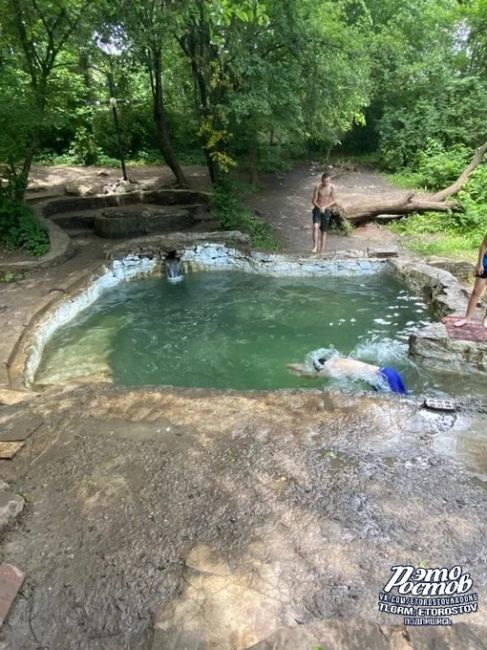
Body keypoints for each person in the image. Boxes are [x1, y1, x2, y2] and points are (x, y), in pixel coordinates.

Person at [287, 351, 408, 395]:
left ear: (320, 367)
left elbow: (312, 377)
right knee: (406, 400)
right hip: (388, 372)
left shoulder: (329, 369)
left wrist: (295, 371)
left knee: (399, 407)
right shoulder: (338, 359)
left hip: (382, 379)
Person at [454, 232, 487, 328]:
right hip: (485, 262)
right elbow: (484, 246)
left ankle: (486, 319)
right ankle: (467, 318)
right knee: (476, 291)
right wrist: (479, 263)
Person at [311, 172, 336, 253]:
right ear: (322, 180)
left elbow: (334, 201)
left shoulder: (332, 188)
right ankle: (315, 246)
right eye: (324, 181)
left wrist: (325, 207)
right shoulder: (317, 187)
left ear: (330, 181)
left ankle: (322, 250)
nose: (326, 183)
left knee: (324, 231)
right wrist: (320, 207)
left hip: (327, 210)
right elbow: (313, 200)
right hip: (317, 209)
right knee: (315, 226)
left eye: (328, 181)